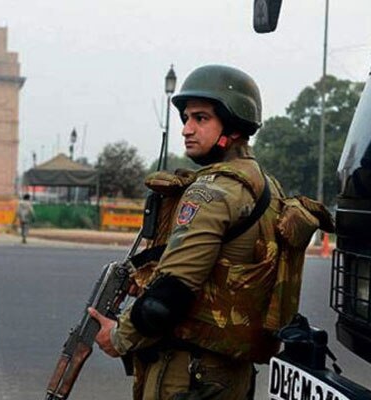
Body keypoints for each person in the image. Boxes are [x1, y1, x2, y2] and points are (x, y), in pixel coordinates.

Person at [89, 65, 284, 400]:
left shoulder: (210, 192)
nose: (187, 129)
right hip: (232, 372)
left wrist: (119, 336)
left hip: (188, 372)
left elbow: (172, 293)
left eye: (201, 118)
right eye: (186, 119)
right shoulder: (269, 187)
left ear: (233, 124)